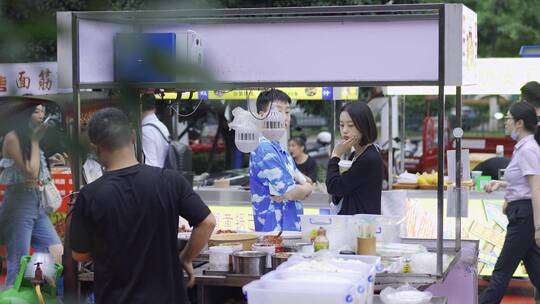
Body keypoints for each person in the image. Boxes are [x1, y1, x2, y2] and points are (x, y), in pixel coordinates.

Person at [69, 108, 216, 303]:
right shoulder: (169, 180)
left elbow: (80, 255)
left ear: (96, 147)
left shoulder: (90, 195)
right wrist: (186, 258)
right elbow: (207, 222)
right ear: (132, 136)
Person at [479, 102, 540, 304]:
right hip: (522, 214)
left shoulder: (528, 149)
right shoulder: (524, 148)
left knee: (501, 271)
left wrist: (538, 227)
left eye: (508, 119)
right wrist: (502, 184)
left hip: (524, 216)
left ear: (519, 123)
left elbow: (536, 187)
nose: (506, 123)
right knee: (535, 269)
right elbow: (525, 183)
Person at [0, 103, 63, 287]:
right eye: (36, 111)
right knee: (18, 262)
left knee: (55, 250)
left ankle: (35, 289)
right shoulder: (13, 138)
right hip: (19, 202)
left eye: (43, 111)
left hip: (36, 201)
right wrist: (35, 141)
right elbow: (31, 172)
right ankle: (13, 295)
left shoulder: (30, 137)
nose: (41, 115)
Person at [249, 89, 313, 232]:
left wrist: (302, 189)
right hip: (274, 233)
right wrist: (302, 189)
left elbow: (306, 183)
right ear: (262, 116)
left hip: (289, 230)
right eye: (278, 111)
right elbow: (292, 191)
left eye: (287, 112)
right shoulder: (265, 149)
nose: (284, 117)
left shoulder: (281, 150)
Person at [326, 102, 383, 215]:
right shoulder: (356, 154)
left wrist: (335, 155)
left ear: (364, 126)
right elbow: (338, 195)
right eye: (342, 125)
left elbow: (334, 187)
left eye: (350, 125)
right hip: (353, 222)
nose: (345, 130)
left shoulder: (369, 158)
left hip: (362, 227)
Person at [141, 93, 170, 168]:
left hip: (154, 177)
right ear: (154, 108)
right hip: (163, 175)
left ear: (139, 107)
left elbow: (150, 164)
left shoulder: (146, 131)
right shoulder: (162, 126)